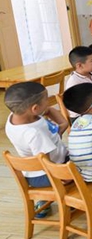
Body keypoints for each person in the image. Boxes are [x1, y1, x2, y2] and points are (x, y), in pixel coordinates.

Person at [5, 82, 68, 218]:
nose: (48, 101)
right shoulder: (33, 134)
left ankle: (47, 198)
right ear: (34, 108)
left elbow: (49, 110)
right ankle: (67, 200)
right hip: (44, 174)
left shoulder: (16, 115)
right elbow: (47, 164)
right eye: (46, 99)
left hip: (36, 170)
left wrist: (63, 125)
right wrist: (62, 177)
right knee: (86, 165)